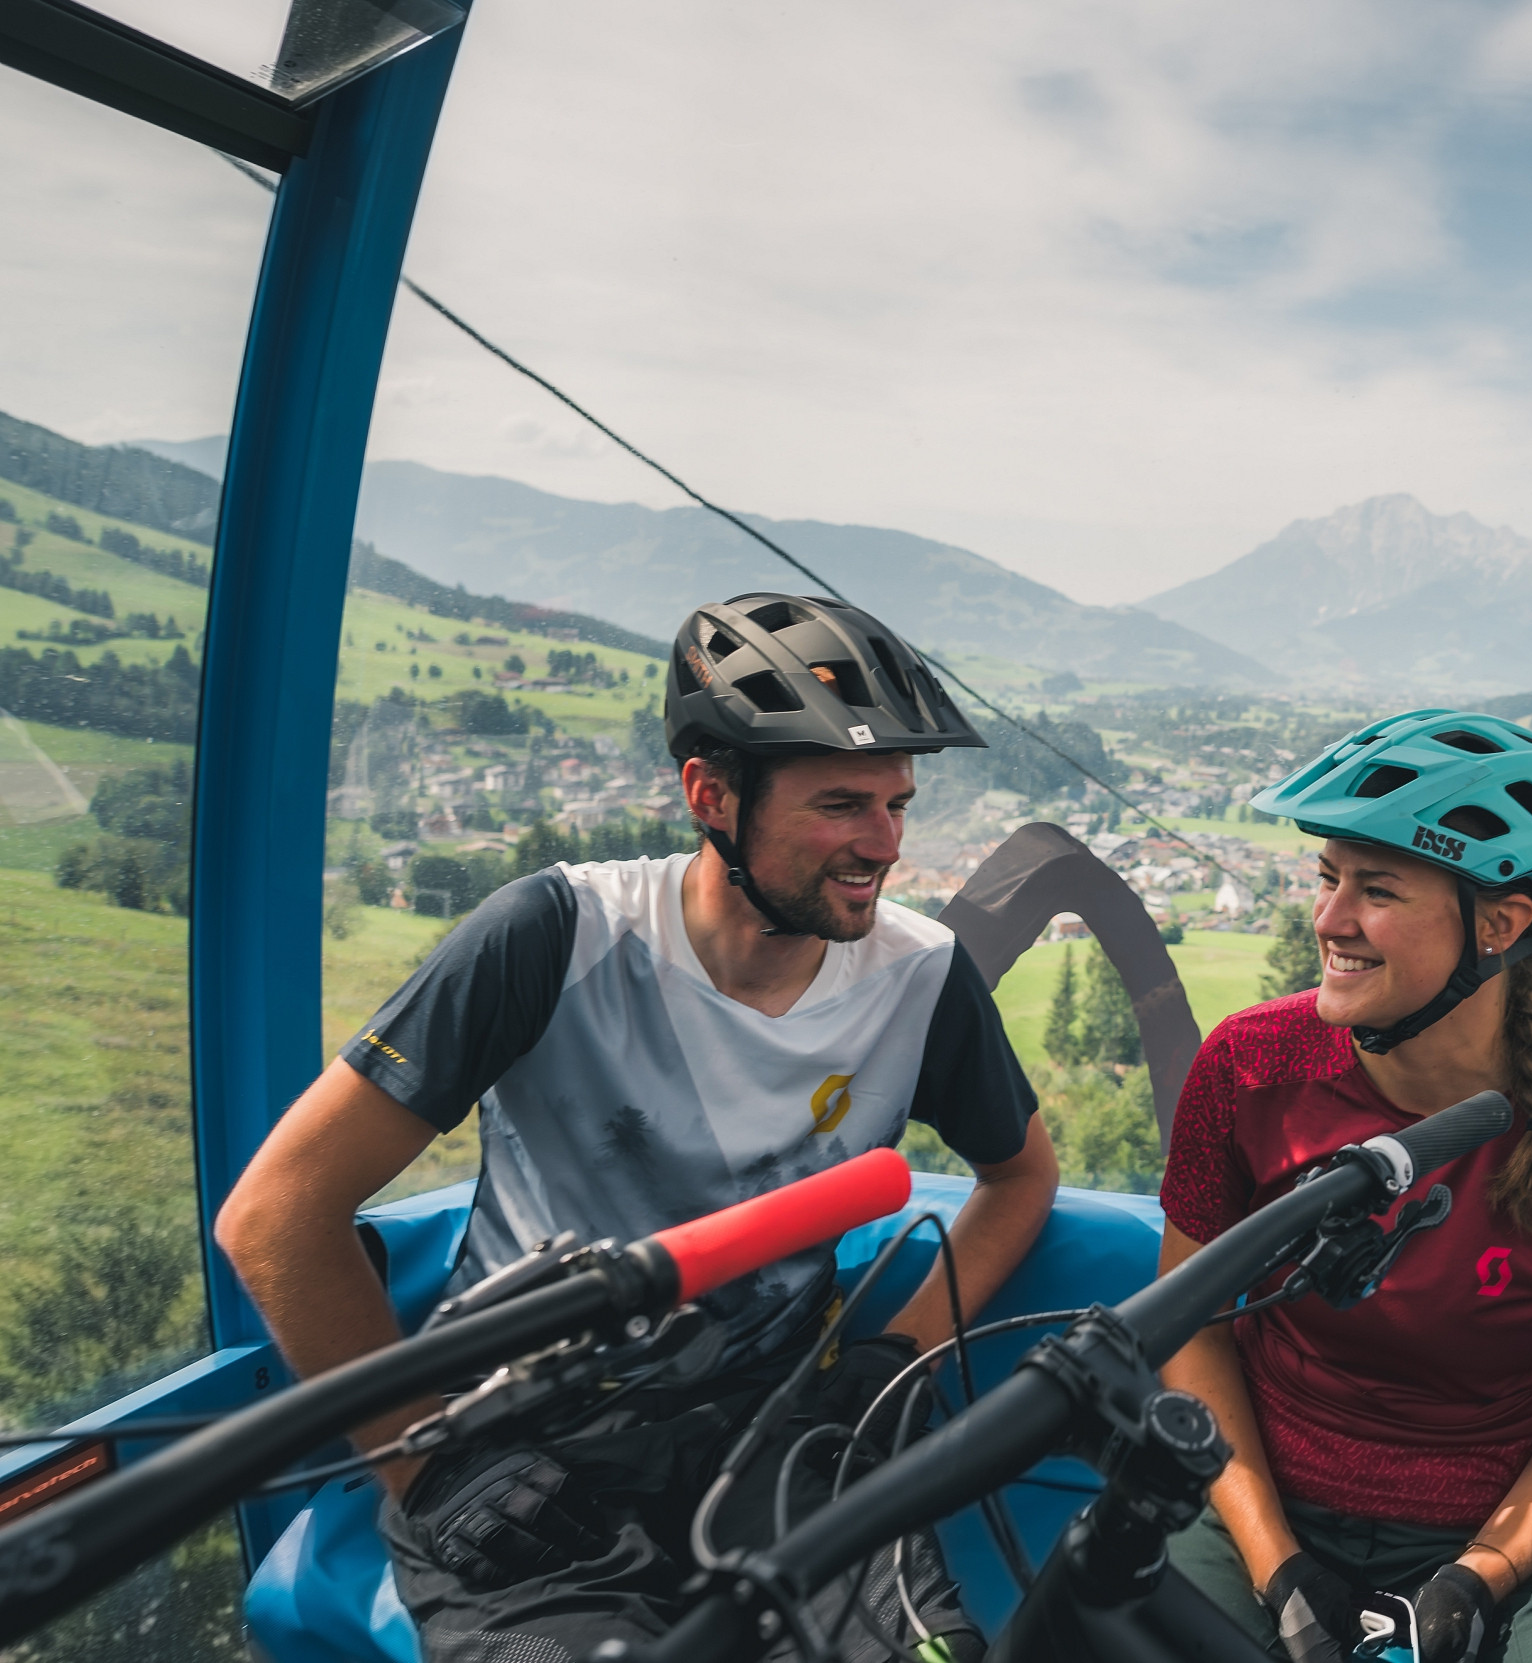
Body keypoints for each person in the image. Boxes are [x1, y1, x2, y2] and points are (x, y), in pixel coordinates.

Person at [216, 593, 1059, 1663]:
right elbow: (275, 1216)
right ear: (711, 794)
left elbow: (1019, 1175)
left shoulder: (921, 974)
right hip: (524, 1455)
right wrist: (426, 1464)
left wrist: (893, 1353)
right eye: (843, 804)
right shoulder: (555, 934)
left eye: (897, 803)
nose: (884, 844)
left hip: (775, 1437)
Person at [1156, 710, 1532, 1663]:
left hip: (1500, 1523)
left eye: (1377, 889)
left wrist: (1481, 1573)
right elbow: (1190, 1328)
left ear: (1500, 925)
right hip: (1259, 1504)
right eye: (1327, 877)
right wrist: (1278, 1566)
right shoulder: (1246, 1065)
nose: (1329, 919)